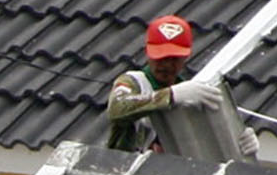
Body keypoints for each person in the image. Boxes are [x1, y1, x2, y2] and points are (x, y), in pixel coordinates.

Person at [101, 13, 255, 161]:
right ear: (148, 53)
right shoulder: (134, 82)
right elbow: (117, 108)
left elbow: (208, 144)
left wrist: (238, 140)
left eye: (174, 59)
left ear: (185, 57)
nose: (167, 65)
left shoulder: (191, 95)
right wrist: (170, 96)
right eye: (160, 57)